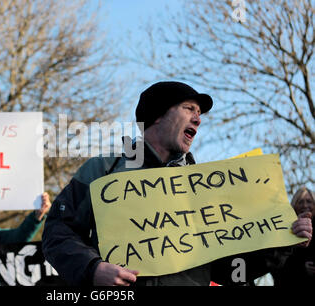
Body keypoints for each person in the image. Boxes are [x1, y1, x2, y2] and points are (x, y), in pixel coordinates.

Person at [41, 81, 313, 286]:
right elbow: (57, 231)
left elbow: (229, 269)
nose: (198, 118)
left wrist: (281, 241)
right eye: (189, 109)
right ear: (158, 115)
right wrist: (92, 268)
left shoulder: (208, 186)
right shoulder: (103, 169)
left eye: (199, 113)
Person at [272, 187, 315, 286]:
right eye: (300, 202)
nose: (305, 205)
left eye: (309, 201)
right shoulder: (283, 228)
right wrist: (302, 269)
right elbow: (276, 264)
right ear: (294, 205)